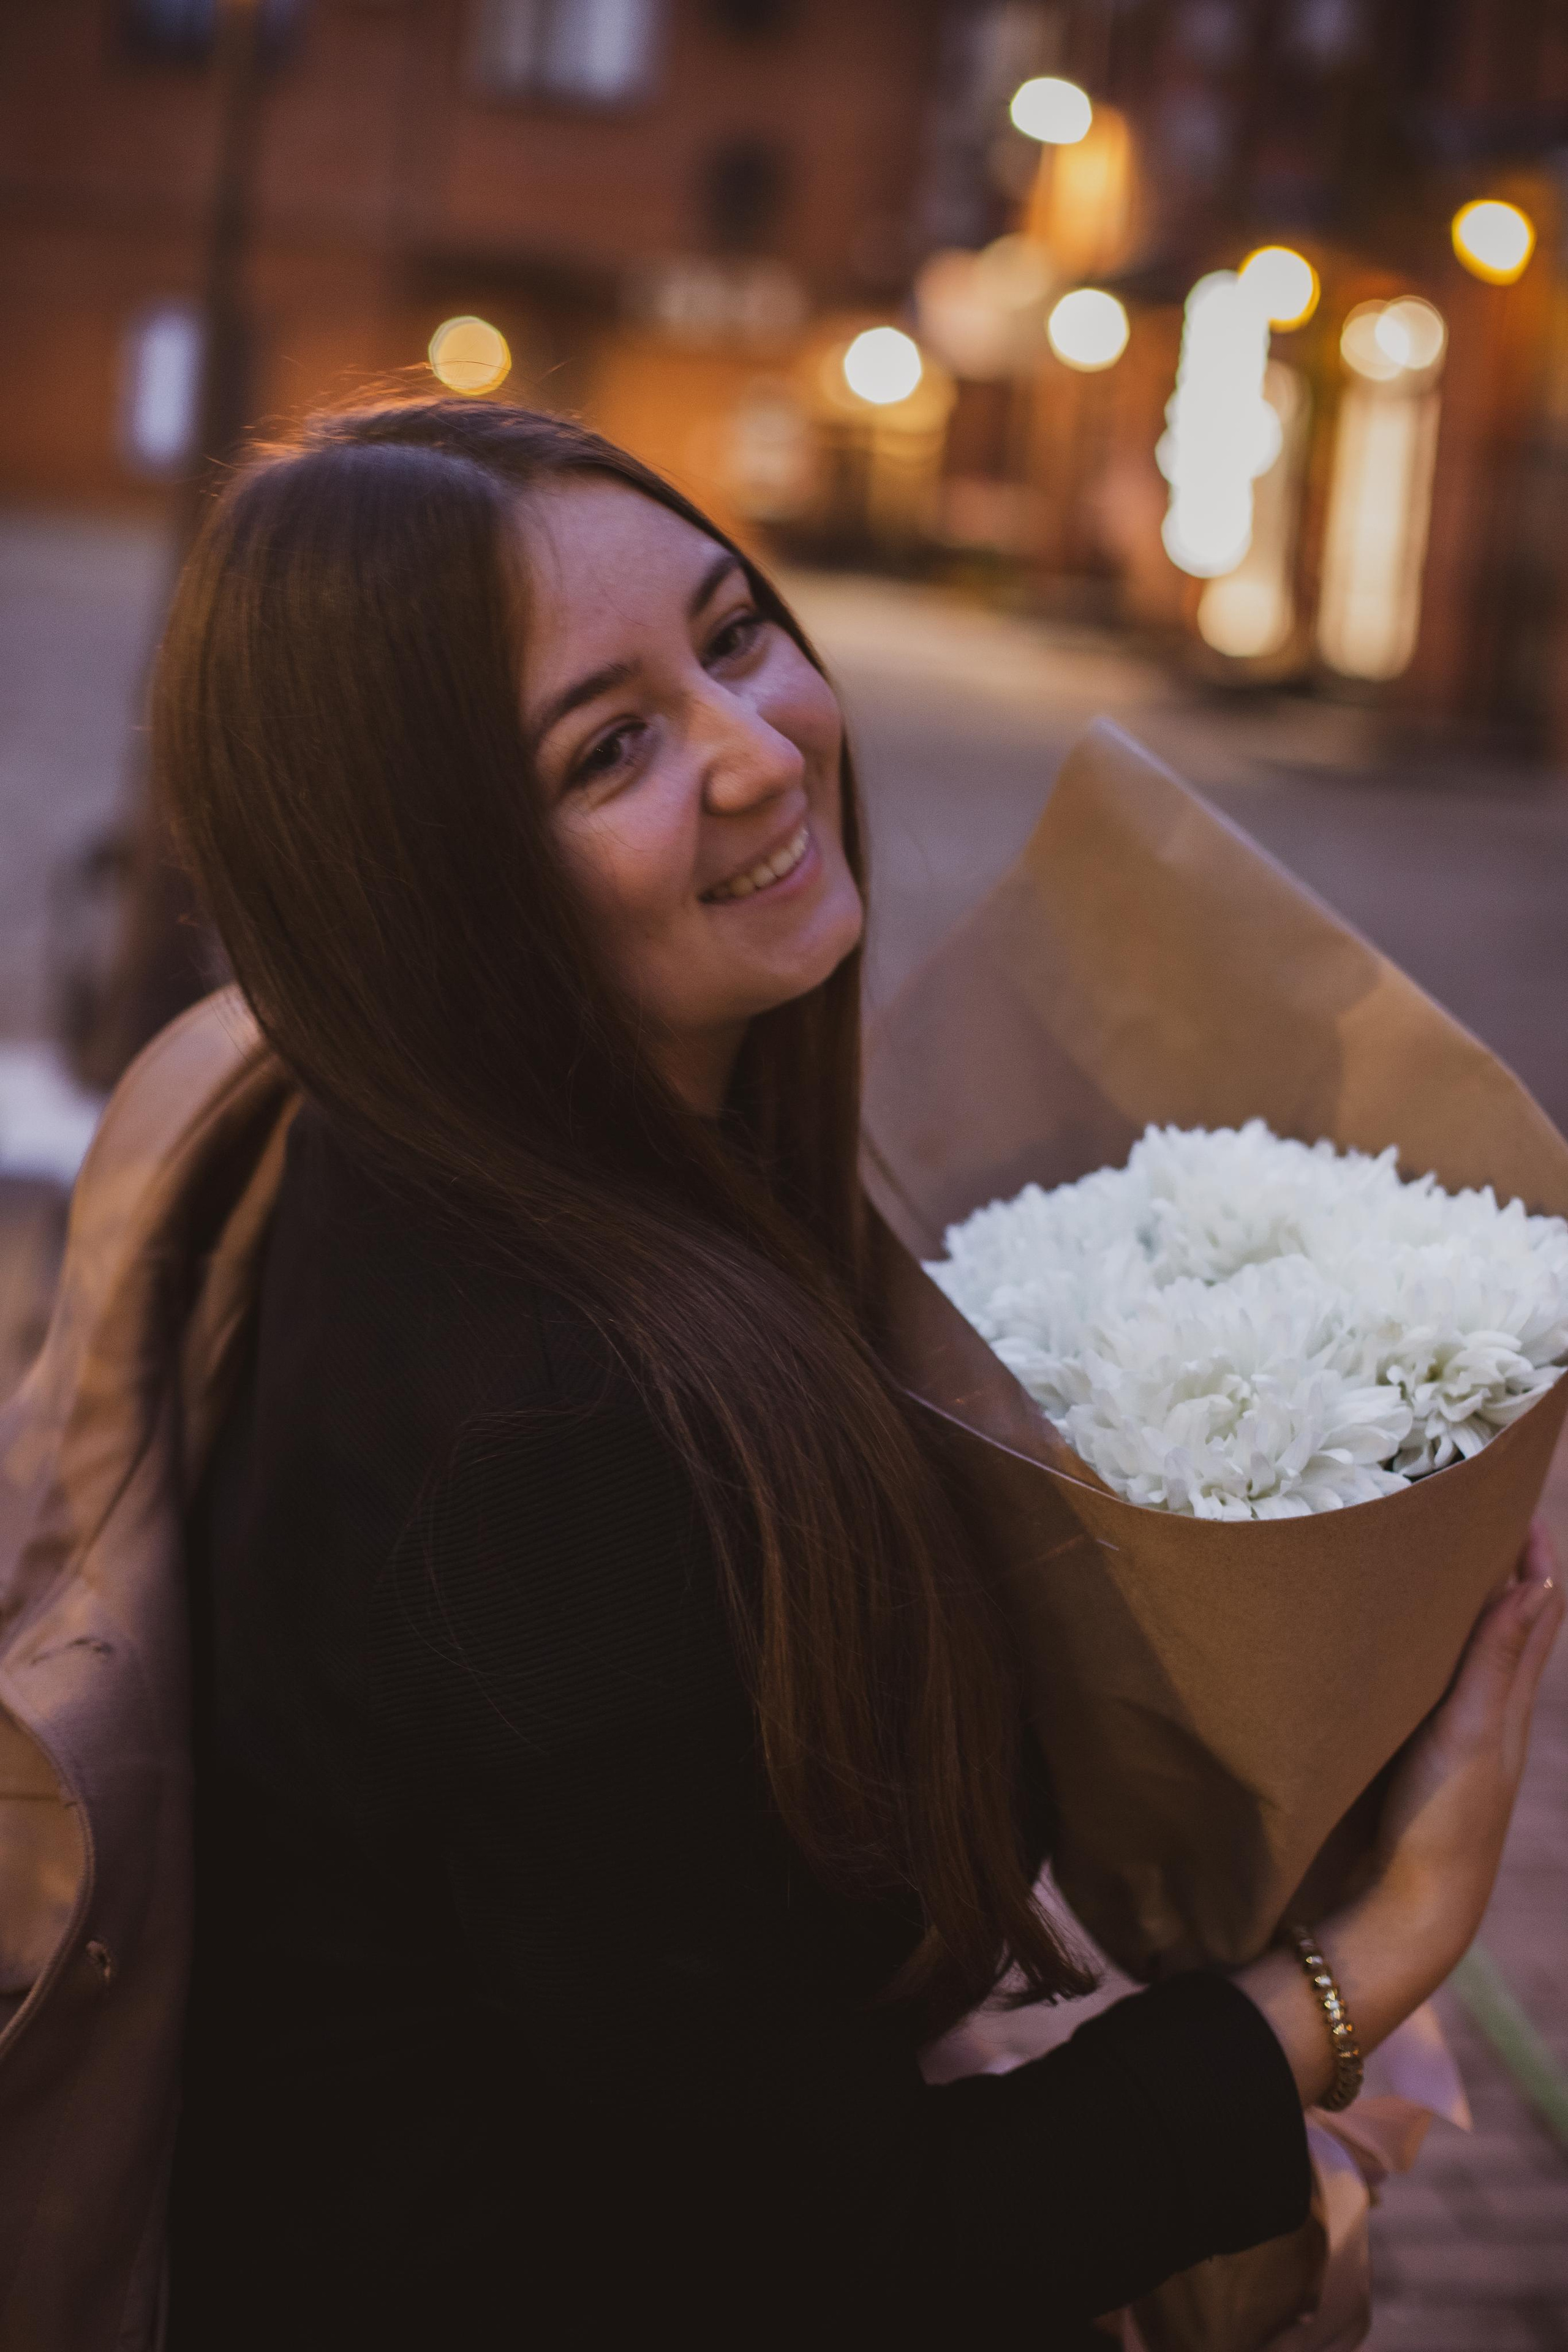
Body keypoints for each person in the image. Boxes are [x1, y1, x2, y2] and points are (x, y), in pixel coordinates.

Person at [159, 399, 1561, 2347]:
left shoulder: (537, 1170)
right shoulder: (551, 1437)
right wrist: (1370, 1959)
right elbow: (824, 2265)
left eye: (734, 637)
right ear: (435, 877)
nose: (760, 752)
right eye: (609, 749)